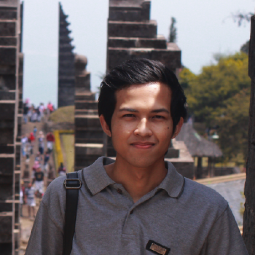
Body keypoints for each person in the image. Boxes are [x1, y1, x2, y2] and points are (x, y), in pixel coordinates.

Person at [25, 59, 248, 254]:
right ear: (106, 123)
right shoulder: (65, 197)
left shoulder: (208, 210)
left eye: (157, 117)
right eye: (129, 116)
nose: (143, 130)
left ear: (176, 126)